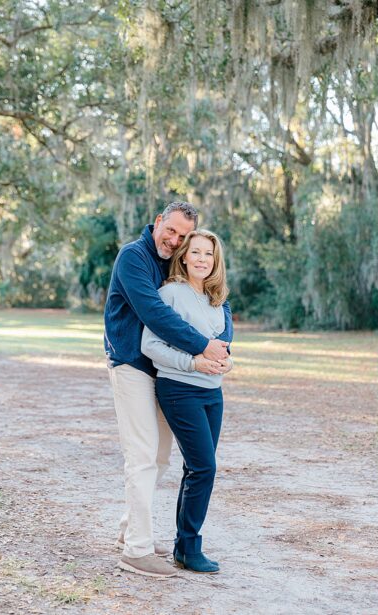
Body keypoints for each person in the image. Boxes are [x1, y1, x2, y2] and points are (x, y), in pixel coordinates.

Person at [104, 202, 233, 578]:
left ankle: (130, 530)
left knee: (159, 458)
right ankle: (137, 550)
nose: (174, 240)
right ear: (157, 222)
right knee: (143, 456)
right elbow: (156, 316)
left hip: (163, 373)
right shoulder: (133, 257)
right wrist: (202, 349)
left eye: (182, 236)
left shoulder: (169, 261)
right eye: (171, 231)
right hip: (131, 364)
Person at [141, 229, 233, 573]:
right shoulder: (170, 294)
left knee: (196, 468)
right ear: (184, 256)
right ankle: (190, 547)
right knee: (204, 467)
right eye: (195, 252)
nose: (201, 259)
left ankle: (183, 547)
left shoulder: (217, 300)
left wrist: (228, 362)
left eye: (208, 254)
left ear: (215, 260)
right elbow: (150, 346)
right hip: (179, 390)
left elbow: (224, 347)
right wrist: (193, 362)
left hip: (213, 393)